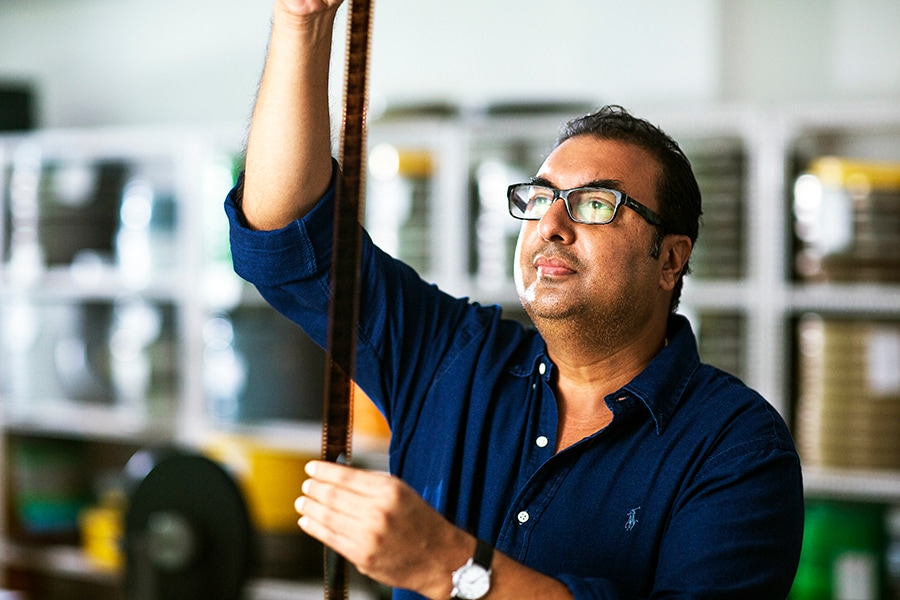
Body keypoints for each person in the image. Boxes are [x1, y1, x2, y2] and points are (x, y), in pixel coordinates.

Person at [225, 1, 805, 598]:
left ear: (670, 259)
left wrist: (450, 568)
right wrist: (303, 21)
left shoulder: (737, 448)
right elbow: (287, 237)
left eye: (596, 204)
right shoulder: (450, 358)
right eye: (540, 197)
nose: (551, 224)